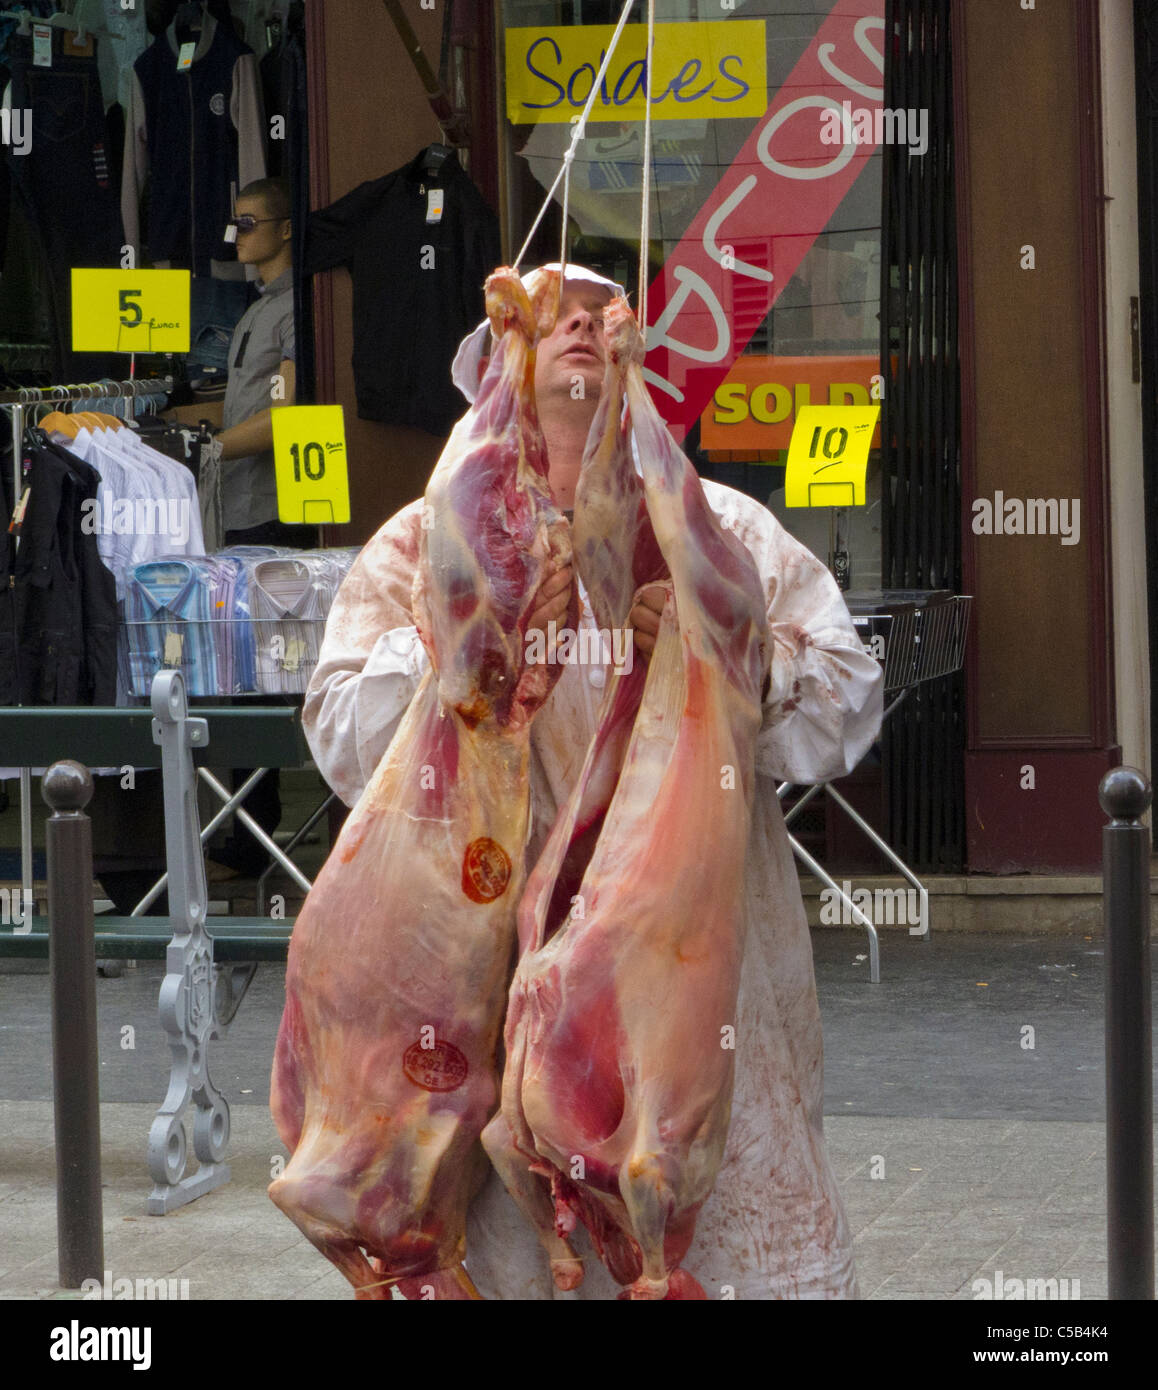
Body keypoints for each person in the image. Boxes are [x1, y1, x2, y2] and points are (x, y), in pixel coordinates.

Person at [301, 263, 884, 1299]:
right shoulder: (419, 548)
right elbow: (341, 734)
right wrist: (459, 649)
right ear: (497, 371)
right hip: (488, 1011)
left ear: (628, 361)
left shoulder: (727, 530)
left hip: (697, 988)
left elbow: (848, 695)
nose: (574, 325)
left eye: (594, 314)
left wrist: (737, 650)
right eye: (547, 315)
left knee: (706, 1216)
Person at [210, 176, 311, 878]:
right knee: (246, 666)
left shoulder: (292, 311)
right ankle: (244, 834)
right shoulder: (255, 311)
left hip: (274, 508)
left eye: (248, 224)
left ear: (281, 229)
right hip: (242, 506)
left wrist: (213, 448)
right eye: (234, 224)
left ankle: (253, 839)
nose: (237, 235)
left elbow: (287, 414)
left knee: (269, 670)